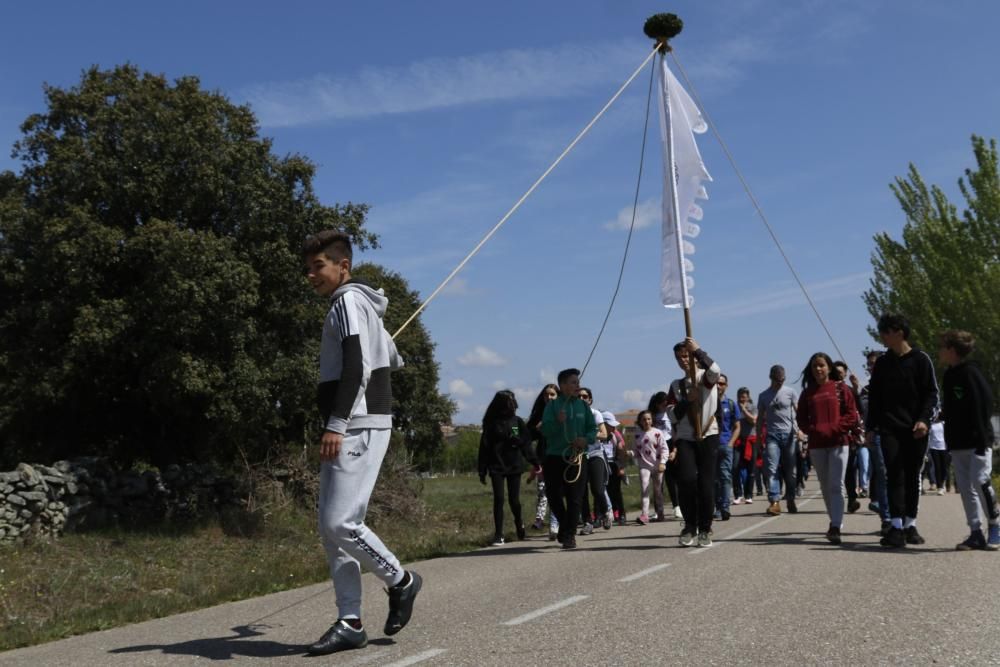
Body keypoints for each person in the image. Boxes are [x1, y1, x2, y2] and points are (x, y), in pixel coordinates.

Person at [302, 230, 421, 655]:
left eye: (319, 266)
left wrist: (336, 423)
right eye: (309, 267)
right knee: (330, 529)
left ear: (343, 266)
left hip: (357, 424)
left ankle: (401, 580)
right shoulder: (354, 305)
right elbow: (386, 357)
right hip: (353, 423)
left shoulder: (350, 301)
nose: (311, 275)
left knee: (341, 523)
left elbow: (356, 366)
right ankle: (350, 621)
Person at [866, 313, 939, 549]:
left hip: (916, 429)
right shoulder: (883, 364)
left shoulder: (920, 360)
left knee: (912, 476)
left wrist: (924, 420)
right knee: (894, 475)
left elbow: (932, 394)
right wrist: (870, 428)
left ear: (898, 332)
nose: (882, 337)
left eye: (885, 332)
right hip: (889, 429)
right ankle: (895, 526)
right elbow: (875, 398)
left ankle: (911, 524)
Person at [938, 330, 999, 550]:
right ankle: (975, 532)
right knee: (965, 488)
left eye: (942, 347)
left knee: (980, 481)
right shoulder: (949, 374)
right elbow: (954, 406)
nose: (940, 351)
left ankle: (994, 525)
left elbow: (983, 405)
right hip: (957, 442)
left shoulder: (971, 373)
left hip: (977, 442)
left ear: (952, 350)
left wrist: (983, 441)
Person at [796, 353, 860, 544]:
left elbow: (851, 414)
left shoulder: (842, 389)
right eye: (815, 366)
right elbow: (801, 419)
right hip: (817, 445)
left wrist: (836, 429)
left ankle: (835, 525)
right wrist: (813, 430)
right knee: (825, 486)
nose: (818, 369)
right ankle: (834, 521)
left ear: (829, 368)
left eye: (822, 365)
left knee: (836, 485)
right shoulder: (807, 393)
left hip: (839, 443)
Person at [668, 337, 722, 547]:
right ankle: (690, 525)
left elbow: (716, 370)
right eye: (678, 357)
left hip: (708, 434)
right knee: (687, 480)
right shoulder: (677, 385)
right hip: (686, 437)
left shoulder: (705, 377)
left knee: (706, 485)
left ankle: (705, 528)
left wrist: (698, 350)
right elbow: (672, 415)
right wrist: (686, 400)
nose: (682, 360)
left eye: (685, 356)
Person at [541, 368, 597, 550]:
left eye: (578, 382)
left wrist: (586, 439)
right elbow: (545, 431)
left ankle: (569, 535)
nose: (577, 386)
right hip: (555, 457)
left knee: (575, 498)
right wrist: (557, 421)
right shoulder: (552, 406)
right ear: (562, 385)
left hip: (578, 458)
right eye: (573, 382)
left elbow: (592, 429)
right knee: (553, 495)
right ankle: (565, 526)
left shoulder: (583, 406)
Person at [478, 390, 540, 546]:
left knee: (514, 500)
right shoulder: (491, 424)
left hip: (514, 465)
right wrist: (482, 469)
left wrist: (534, 461)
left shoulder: (516, 422)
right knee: (499, 499)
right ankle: (499, 534)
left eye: (513, 402)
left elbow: (525, 443)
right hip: (496, 465)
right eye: (508, 402)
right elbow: (484, 447)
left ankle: (519, 523)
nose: (512, 405)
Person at [757, 365, 805, 516]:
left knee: (790, 471)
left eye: (782, 379)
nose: (780, 382)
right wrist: (759, 437)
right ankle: (775, 502)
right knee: (771, 468)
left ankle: (790, 499)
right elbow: (759, 418)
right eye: (777, 380)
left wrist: (801, 430)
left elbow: (798, 412)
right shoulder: (763, 395)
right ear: (771, 377)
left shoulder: (790, 392)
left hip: (789, 435)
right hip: (772, 436)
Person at [860, 350, 891, 536]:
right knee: (883, 474)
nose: (871, 368)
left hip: (895, 434)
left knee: (895, 476)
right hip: (877, 434)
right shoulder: (867, 389)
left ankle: (901, 517)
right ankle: (886, 519)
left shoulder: (895, 383)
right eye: (869, 365)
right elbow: (865, 411)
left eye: (874, 364)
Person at [527, 384, 559, 539]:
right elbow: (522, 432)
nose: (549, 398)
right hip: (543, 458)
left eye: (553, 394)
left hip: (561, 456)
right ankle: (543, 520)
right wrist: (537, 429)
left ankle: (560, 521)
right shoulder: (538, 414)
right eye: (546, 395)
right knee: (544, 490)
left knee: (557, 491)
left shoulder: (563, 411)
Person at [578, 387, 610, 534]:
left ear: (590, 400)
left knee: (597, 489)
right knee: (581, 491)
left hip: (595, 453)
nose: (582, 399)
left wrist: (589, 435)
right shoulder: (572, 415)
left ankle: (605, 512)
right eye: (579, 396)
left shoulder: (595, 413)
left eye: (585, 396)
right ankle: (587, 522)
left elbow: (604, 434)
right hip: (578, 456)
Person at [834, 360, 864, 514]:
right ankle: (837, 500)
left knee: (850, 469)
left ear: (845, 374)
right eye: (836, 372)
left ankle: (852, 498)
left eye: (841, 372)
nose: (839, 375)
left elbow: (860, 409)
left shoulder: (850, 390)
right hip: (831, 436)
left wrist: (856, 388)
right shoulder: (828, 390)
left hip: (849, 436)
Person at [632, 410, 669, 525]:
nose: (646, 421)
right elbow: (635, 451)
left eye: (649, 419)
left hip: (658, 466)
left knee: (657, 491)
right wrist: (629, 453)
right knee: (644, 488)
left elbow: (664, 449)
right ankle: (645, 515)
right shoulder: (637, 435)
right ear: (640, 421)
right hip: (644, 465)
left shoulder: (657, 433)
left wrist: (663, 462)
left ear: (652, 420)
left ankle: (660, 512)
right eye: (644, 419)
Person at [649, 391, 681, 520]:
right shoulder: (652, 416)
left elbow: (676, 433)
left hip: (670, 444)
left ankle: (677, 507)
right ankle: (658, 510)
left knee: (672, 480)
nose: (665, 404)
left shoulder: (671, 415)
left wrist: (674, 450)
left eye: (666, 402)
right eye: (662, 403)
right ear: (657, 404)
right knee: (658, 482)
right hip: (656, 448)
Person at [714, 375, 741, 520]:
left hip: (725, 445)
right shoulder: (707, 404)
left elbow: (737, 427)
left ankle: (724, 507)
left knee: (725, 477)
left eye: (721, 383)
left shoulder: (731, 404)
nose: (718, 386)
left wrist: (730, 443)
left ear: (726, 385)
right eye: (716, 383)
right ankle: (716, 507)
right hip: (710, 446)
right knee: (713, 479)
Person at [602, 410, 628, 525]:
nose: (613, 428)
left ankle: (621, 514)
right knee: (601, 490)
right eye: (610, 426)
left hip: (613, 464)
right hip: (601, 465)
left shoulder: (615, 436)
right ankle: (602, 515)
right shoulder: (597, 436)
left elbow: (621, 453)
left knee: (616, 491)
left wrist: (621, 467)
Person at [733, 387, 758, 505]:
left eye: (744, 396)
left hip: (751, 440)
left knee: (751, 469)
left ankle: (749, 495)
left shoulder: (753, 407)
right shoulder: (734, 407)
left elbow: (753, 421)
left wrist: (744, 409)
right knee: (735, 467)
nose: (741, 399)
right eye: (740, 396)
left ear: (748, 397)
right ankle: (738, 495)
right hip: (738, 441)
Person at [927, 418, 950, 495]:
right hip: (933, 447)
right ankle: (939, 487)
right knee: (937, 466)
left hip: (944, 447)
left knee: (944, 467)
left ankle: (943, 483)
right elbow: (928, 437)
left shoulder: (943, 423)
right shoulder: (931, 424)